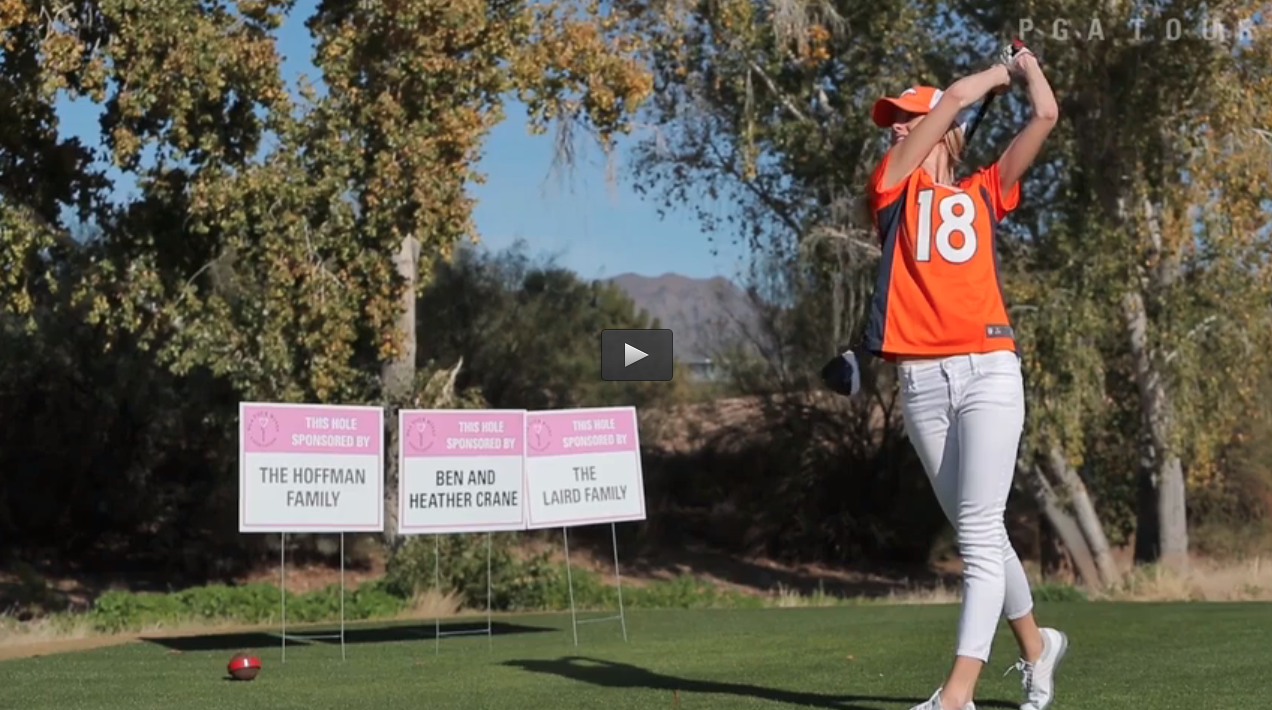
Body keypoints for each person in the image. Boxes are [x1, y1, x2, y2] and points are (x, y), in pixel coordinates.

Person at [860, 46, 1066, 710]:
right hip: (921, 382)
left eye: (906, 117)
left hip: (989, 372)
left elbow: (1045, 112)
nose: (896, 127)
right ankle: (1037, 648)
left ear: (945, 136)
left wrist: (1025, 69)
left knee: (978, 532)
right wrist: (990, 78)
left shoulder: (986, 189)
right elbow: (951, 99)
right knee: (982, 532)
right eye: (894, 120)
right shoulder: (891, 186)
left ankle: (957, 696)